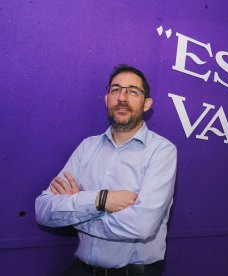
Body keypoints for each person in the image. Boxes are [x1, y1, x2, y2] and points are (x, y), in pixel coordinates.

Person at [35, 64, 177, 276]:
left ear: (147, 104)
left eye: (132, 91)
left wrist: (77, 211)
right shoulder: (87, 147)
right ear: (106, 99)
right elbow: (43, 209)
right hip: (81, 269)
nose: (122, 98)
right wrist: (101, 200)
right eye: (115, 90)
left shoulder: (162, 151)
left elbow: (141, 226)